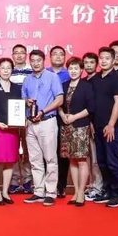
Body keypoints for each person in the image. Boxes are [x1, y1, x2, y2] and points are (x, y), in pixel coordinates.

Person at [22, 50, 64, 206]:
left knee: (50, 158)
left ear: (44, 60)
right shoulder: (27, 79)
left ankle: (51, 192)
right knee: (34, 160)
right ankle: (39, 191)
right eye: (32, 60)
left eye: (38, 60)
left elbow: (60, 99)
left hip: (47, 121)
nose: (35, 63)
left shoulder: (52, 77)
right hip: (30, 123)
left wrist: (43, 111)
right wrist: (26, 102)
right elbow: (22, 99)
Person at [90, 47, 118, 208]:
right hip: (97, 126)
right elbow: (92, 103)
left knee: (112, 161)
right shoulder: (95, 78)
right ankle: (107, 191)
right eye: (101, 58)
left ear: (113, 60)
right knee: (102, 161)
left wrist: (111, 125)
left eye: (107, 58)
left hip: (111, 127)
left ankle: (117, 194)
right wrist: (91, 123)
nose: (103, 61)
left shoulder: (117, 78)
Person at [59, 57, 94, 207]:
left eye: (76, 68)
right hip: (65, 126)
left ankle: (81, 192)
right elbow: (59, 104)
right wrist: (62, 115)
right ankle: (75, 191)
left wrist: (74, 117)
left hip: (80, 126)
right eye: (71, 68)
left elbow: (90, 108)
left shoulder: (86, 86)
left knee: (81, 159)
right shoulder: (63, 85)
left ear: (81, 70)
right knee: (71, 159)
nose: (73, 71)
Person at [0, 58, 21, 205]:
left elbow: (20, 108)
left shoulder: (17, 88)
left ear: (12, 70)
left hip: (12, 130)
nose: (6, 70)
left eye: (8, 68)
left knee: (9, 161)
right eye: (3, 68)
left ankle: (5, 192)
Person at [8, 44, 33, 195]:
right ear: (12, 55)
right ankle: (14, 180)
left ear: (26, 54)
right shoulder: (7, 70)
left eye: (22, 53)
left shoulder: (32, 71)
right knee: (12, 148)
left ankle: (28, 180)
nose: (19, 55)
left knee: (28, 148)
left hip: (28, 116)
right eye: (16, 53)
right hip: (11, 116)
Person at [47, 45, 70, 198]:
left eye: (61, 54)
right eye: (54, 54)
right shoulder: (44, 73)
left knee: (63, 153)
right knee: (47, 153)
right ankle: (48, 185)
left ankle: (61, 186)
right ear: (50, 57)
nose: (58, 56)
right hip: (47, 117)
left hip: (65, 118)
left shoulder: (69, 73)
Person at [82, 52, 104, 201]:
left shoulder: (99, 80)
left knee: (96, 159)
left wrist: (92, 122)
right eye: (86, 63)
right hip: (82, 124)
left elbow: (96, 105)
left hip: (96, 124)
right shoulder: (82, 81)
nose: (89, 65)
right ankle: (90, 185)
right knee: (86, 158)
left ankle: (98, 187)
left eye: (91, 62)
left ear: (96, 64)